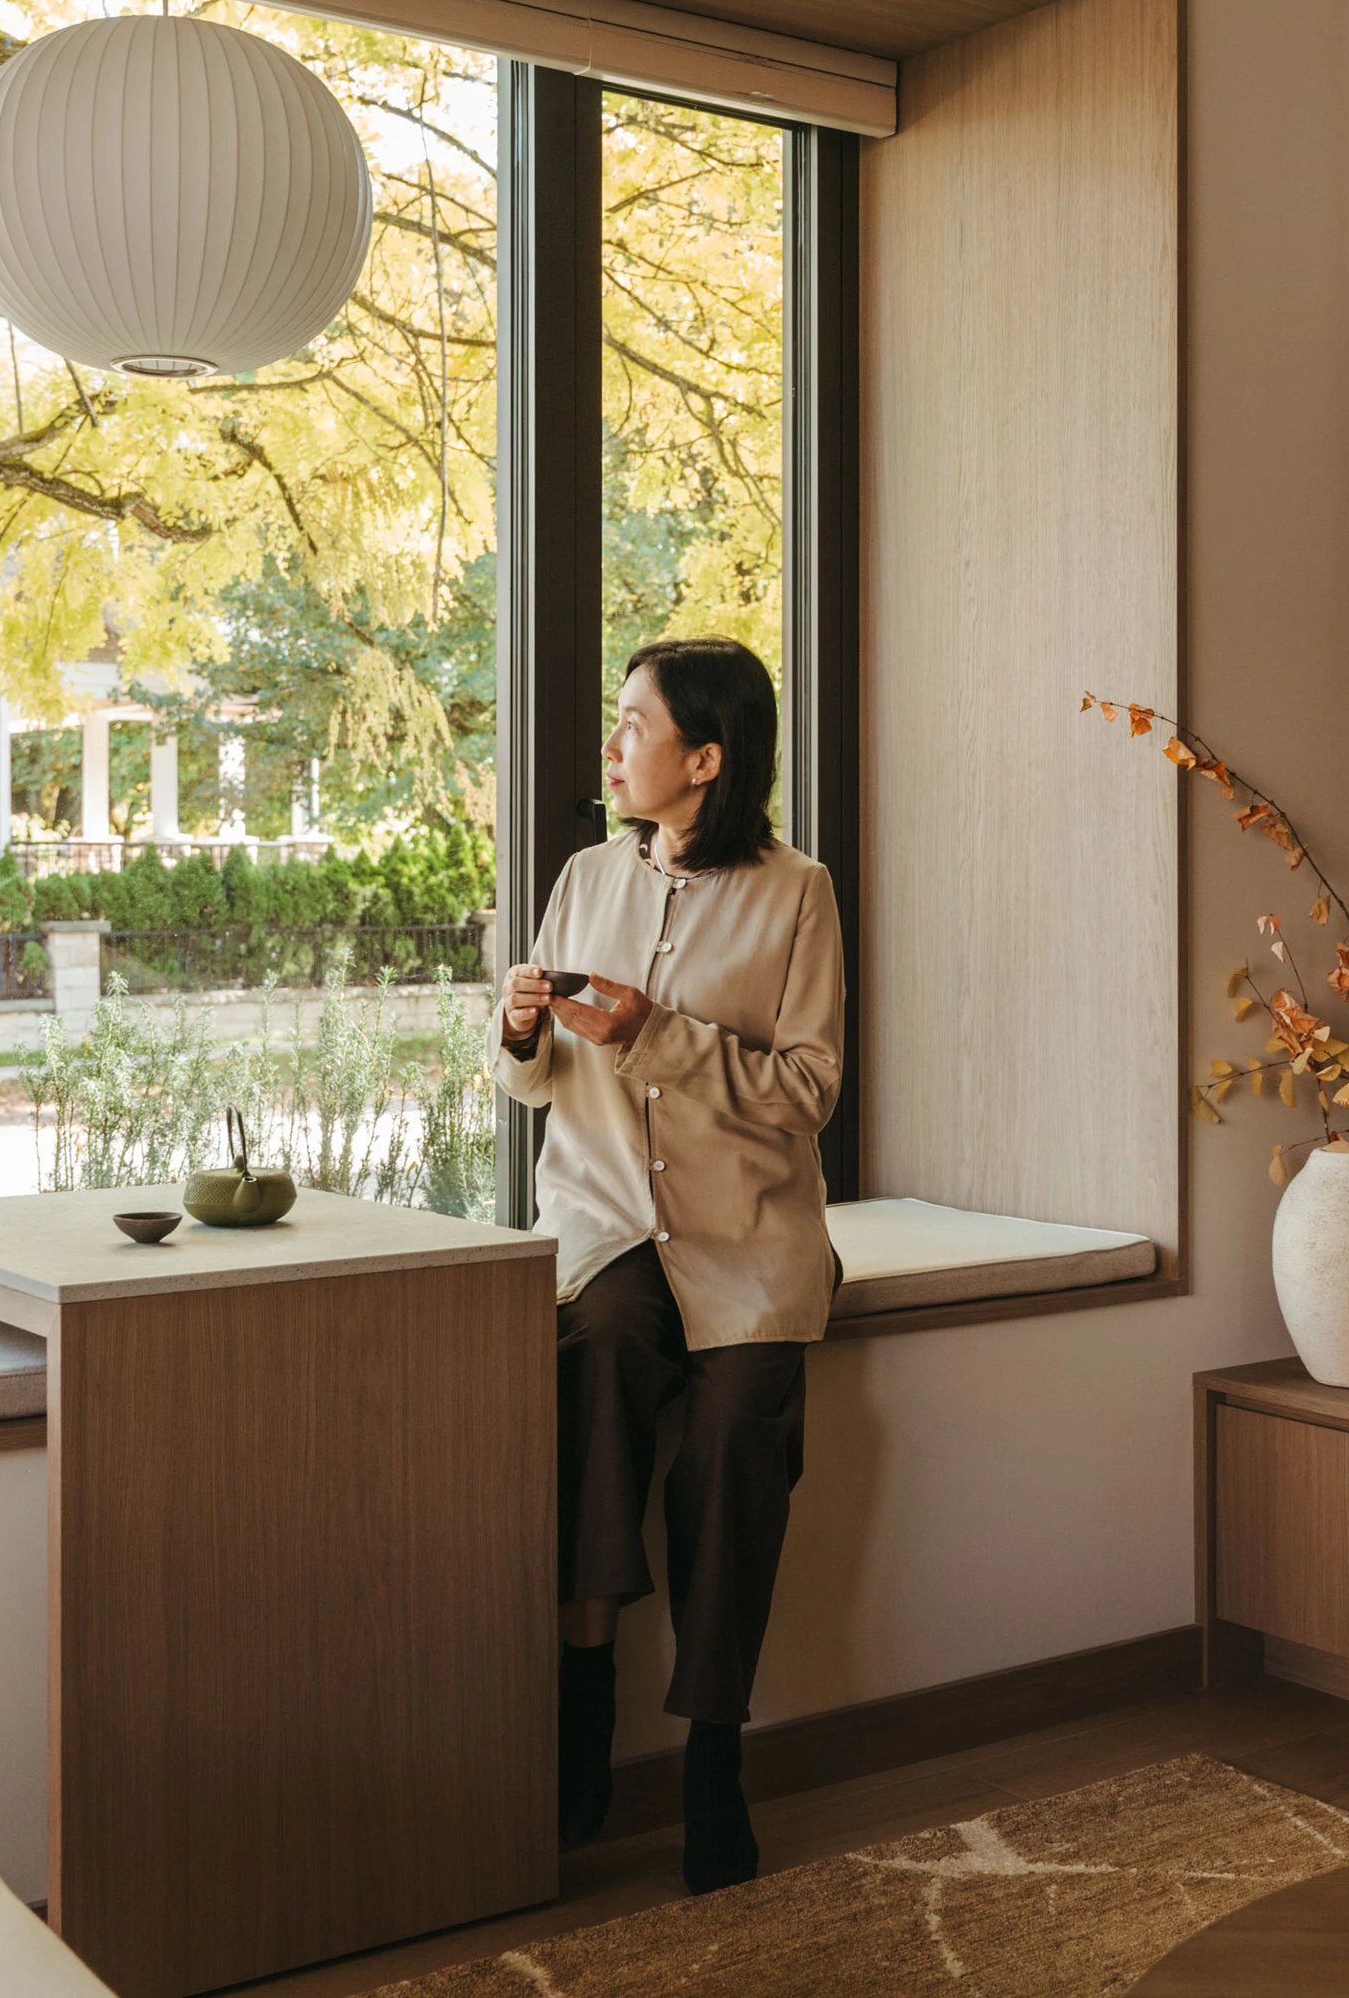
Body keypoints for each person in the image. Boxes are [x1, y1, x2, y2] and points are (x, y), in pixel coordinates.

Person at [492, 635, 845, 1896]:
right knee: (599, 1356)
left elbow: (809, 1096)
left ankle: (710, 1751)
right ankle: (585, 1676)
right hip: (600, 1224)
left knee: (739, 1431)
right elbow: (526, 1082)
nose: (613, 742)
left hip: (746, 1237)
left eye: (632, 724)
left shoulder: (798, 893)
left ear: (705, 758)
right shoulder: (584, 877)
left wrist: (661, 1036)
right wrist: (524, 1028)